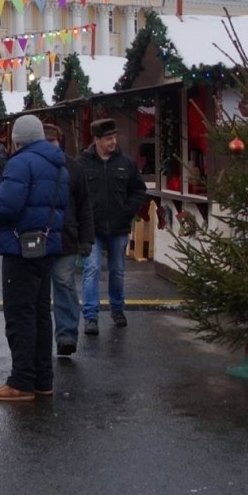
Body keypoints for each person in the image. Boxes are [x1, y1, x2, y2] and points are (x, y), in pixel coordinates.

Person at [0, 115, 69, 402]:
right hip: (47, 245)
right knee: (41, 314)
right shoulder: (58, 165)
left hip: (20, 247)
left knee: (20, 315)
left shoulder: (20, 163)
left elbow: (8, 206)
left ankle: (21, 381)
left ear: (17, 140)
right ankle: (43, 379)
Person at [79, 117, 149, 335]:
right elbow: (74, 193)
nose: (113, 142)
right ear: (97, 140)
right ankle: (90, 316)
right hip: (92, 227)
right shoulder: (82, 163)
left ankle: (117, 309)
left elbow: (139, 190)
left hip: (118, 226)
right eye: (108, 138)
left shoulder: (125, 163)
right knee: (91, 270)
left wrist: (127, 210)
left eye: (114, 137)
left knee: (117, 270)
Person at [42, 124, 94, 357]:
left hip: (66, 236)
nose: (50, 145)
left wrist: (87, 238)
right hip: (39, 238)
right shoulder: (33, 166)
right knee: (40, 290)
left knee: (64, 285)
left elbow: (84, 206)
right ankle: (41, 338)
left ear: (59, 142)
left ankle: (66, 336)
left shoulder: (74, 168)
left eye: (52, 141)